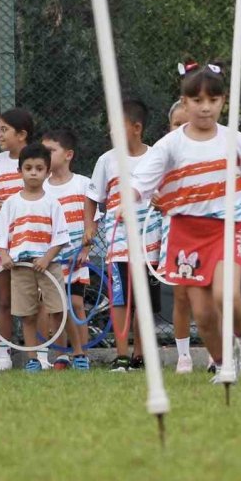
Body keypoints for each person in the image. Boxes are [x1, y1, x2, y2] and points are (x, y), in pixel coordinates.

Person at [131, 62, 241, 377]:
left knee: (226, 294)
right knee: (204, 314)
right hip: (186, 235)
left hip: (225, 229)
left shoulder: (234, 141)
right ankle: (223, 364)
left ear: (223, 102)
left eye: (213, 100)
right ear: (184, 103)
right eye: (197, 101)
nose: (205, 108)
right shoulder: (171, 144)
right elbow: (141, 181)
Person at [84, 98, 163, 373]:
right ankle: (121, 356)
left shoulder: (156, 158)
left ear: (137, 128)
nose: (111, 133)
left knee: (144, 303)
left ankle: (140, 356)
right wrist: (89, 226)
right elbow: (93, 197)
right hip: (118, 244)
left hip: (149, 244)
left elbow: (165, 196)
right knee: (119, 299)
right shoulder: (106, 160)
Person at [0, 142, 70, 373]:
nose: (33, 172)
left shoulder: (52, 203)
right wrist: (4, 255)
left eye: (39, 168)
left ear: (47, 172)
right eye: (28, 168)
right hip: (20, 267)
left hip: (49, 266)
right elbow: (0, 234)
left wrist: (47, 258)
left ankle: (61, 356)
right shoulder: (11, 203)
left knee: (57, 311)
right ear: (19, 171)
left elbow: (60, 237)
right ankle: (33, 359)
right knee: (27, 314)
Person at [0, 107, 35, 372]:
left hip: (31, 242)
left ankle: (39, 356)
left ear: (22, 134)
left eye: (4, 129)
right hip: (3, 242)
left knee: (33, 302)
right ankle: (4, 355)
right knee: (4, 301)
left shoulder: (36, 160)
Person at [42, 128, 91, 371]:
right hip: (52, 260)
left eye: (51, 150)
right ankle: (61, 356)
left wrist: (85, 249)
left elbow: (92, 221)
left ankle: (82, 355)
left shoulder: (83, 184)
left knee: (76, 303)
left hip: (77, 260)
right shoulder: (42, 188)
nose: (45, 155)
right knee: (55, 308)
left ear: (68, 154)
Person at [162, 98, 198, 374]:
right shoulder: (162, 156)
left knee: (212, 295)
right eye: (176, 124)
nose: (181, 129)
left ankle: (216, 354)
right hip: (177, 234)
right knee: (182, 296)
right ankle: (184, 356)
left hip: (209, 233)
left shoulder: (210, 154)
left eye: (186, 124)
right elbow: (148, 188)